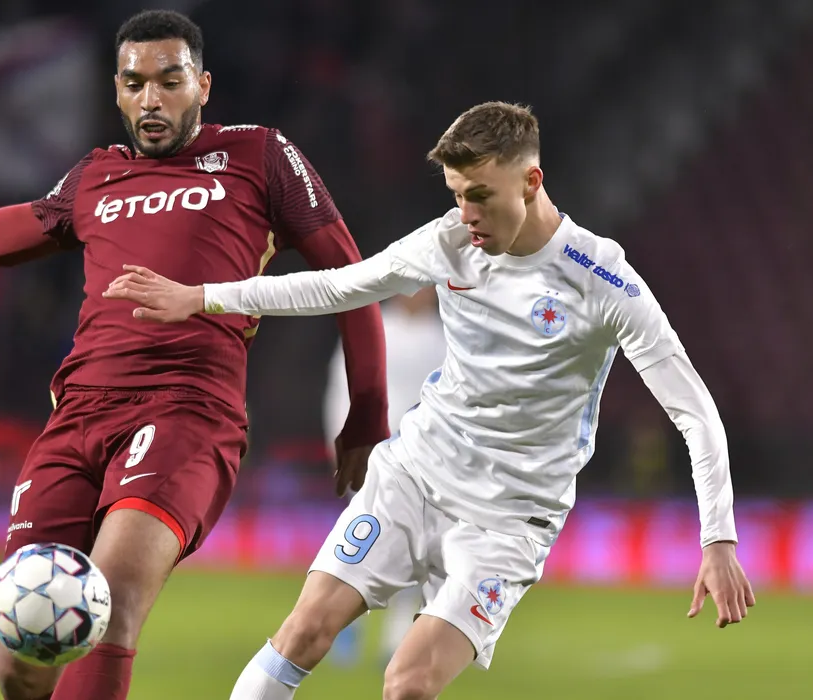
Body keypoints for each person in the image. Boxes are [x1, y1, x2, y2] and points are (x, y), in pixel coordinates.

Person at [104, 101, 755, 700]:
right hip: (414, 476)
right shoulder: (449, 243)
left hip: (509, 520)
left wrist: (718, 538)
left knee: (408, 682)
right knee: (303, 632)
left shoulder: (602, 280)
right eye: (456, 195)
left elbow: (693, 411)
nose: (466, 214)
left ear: (531, 182)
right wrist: (204, 297)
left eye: (480, 196)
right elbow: (339, 286)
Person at [0, 10, 388, 700]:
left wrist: (367, 412)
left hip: (187, 411)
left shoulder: (259, 155)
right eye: (134, 83)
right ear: (117, 92)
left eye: (169, 81)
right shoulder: (95, 175)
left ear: (202, 85)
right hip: (76, 418)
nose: (151, 98)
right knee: (24, 655)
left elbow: (353, 279)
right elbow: (4, 232)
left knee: (108, 607)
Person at [322, 287, 444, 667]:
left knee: (415, 550)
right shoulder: (372, 328)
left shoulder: (444, 337)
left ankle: (397, 636)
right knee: (358, 542)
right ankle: (344, 625)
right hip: (370, 454)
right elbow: (342, 391)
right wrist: (339, 444)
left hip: (421, 458)